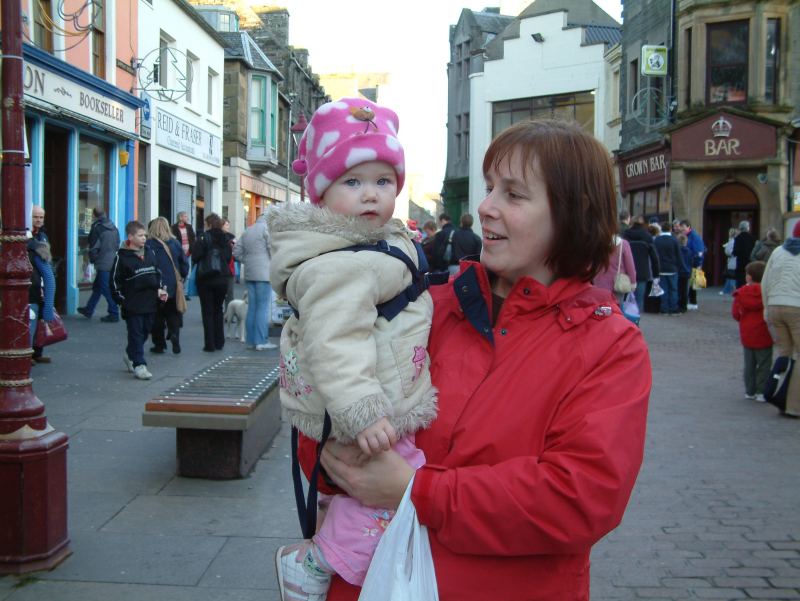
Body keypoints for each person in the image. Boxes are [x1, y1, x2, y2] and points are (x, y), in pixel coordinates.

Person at [297, 119, 650, 601]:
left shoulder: (609, 345)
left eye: (514, 194)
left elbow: (580, 498)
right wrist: (327, 428)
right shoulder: (425, 305)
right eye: (489, 189)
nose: (485, 207)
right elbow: (319, 443)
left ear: (571, 213)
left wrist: (417, 491)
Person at [268, 97, 437, 600]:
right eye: (353, 182)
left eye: (383, 182)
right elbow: (335, 341)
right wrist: (363, 413)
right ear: (320, 194)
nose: (371, 195)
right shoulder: (342, 262)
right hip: (366, 409)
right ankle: (314, 565)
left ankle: (327, 523)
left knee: (361, 487)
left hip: (370, 398)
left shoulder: (364, 246)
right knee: (399, 490)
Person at [110, 221, 167, 380]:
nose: (144, 238)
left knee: (145, 331)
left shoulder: (149, 252)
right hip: (133, 303)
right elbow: (114, 281)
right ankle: (139, 365)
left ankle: (130, 354)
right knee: (135, 332)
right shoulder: (121, 257)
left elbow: (157, 273)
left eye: (145, 235)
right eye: (140, 236)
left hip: (150, 301)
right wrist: (122, 300)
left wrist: (161, 288)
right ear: (130, 237)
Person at [761, 221, 800, 418]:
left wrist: (767, 308)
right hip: (796, 306)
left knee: (785, 351)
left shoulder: (778, 252)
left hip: (776, 305)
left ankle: (772, 390)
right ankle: (792, 405)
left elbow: (765, 281)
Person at [145, 217, 189, 354]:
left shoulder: (148, 244)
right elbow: (184, 263)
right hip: (172, 284)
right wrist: (181, 277)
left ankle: (159, 344)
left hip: (155, 284)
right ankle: (174, 333)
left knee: (157, 315)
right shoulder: (174, 243)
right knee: (173, 312)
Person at [233, 213, 276, 350]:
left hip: (250, 273)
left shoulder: (248, 230)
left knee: (252, 307)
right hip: (264, 273)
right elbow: (272, 248)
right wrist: (273, 261)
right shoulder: (266, 230)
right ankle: (261, 341)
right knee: (262, 308)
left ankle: (251, 340)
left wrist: (247, 261)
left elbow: (236, 251)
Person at [732, 261, 773, 402]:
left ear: (749, 277)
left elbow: (736, 314)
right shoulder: (767, 292)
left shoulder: (741, 293)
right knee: (764, 364)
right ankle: (761, 391)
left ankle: (750, 391)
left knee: (749, 364)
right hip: (764, 332)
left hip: (747, 332)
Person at [192, 213, 234, 352]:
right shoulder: (225, 238)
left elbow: (196, 256)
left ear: (208, 224)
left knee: (207, 311)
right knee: (218, 309)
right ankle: (219, 341)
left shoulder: (203, 237)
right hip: (222, 278)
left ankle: (209, 344)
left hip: (205, 278)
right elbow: (228, 258)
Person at [78, 208, 121, 322]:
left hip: (102, 261)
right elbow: (117, 244)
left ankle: (114, 312)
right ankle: (89, 309)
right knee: (98, 287)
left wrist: (92, 259)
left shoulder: (97, 227)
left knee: (105, 288)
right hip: (112, 260)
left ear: (94, 215)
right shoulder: (114, 227)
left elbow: (93, 246)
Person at [27, 232, 56, 364]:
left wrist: (49, 307)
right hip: (31, 294)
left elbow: (49, 277)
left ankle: (30, 354)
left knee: (32, 326)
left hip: (33, 295)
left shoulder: (35, 248)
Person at [624, 215, 660, 313]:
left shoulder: (625, 234)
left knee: (625, 300)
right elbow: (654, 257)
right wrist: (656, 274)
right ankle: (636, 323)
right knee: (639, 301)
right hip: (642, 272)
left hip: (626, 272)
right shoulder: (647, 236)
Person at [593, 234, 636, 304]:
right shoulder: (623, 244)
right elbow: (630, 266)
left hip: (598, 282)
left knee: (600, 309)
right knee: (617, 309)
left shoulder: (596, 243)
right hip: (618, 283)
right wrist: (633, 282)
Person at [653, 222, 683, 315]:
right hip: (672, 268)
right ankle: (673, 308)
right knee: (673, 289)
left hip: (661, 268)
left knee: (663, 289)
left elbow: (654, 255)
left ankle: (664, 309)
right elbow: (679, 255)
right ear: (670, 229)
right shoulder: (674, 240)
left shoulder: (657, 240)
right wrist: (680, 266)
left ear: (661, 229)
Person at [678, 219, 706, 308]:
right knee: (690, 284)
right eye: (681, 228)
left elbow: (699, 252)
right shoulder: (688, 236)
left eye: (683, 228)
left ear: (688, 227)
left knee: (692, 285)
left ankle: (693, 302)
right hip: (689, 263)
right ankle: (691, 302)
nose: (681, 230)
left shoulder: (694, 237)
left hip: (693, 264)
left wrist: (698, 264)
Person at [172, 211, 196, 299]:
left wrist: (191, 250)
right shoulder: (174, 228)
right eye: (185, 216)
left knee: (187, 272)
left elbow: (193, 239)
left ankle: (185, 293)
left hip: (188, 253)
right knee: (177, 272)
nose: (187, 218)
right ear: (180, 217)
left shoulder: (189, 227)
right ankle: (178, 291)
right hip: (178, 253)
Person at [732, 220, 755, 289]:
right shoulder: (752, 238)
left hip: (740, 263)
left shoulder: (737, 238)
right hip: (750, 262)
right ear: (748, 228)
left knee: (740, 283)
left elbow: (735, 252)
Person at [221, 217, 237, 310]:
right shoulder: (218, 237)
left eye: (228, 224)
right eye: (226, 224)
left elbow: (236, 249)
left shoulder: (231, 237)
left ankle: (229, 312)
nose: (228, 226)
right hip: (221, 269)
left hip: (230, 268)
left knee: (230, 292)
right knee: (220, 293)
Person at [676, 233, 693, 313]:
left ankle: (679, 305)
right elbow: (691, 262)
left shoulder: (677, 251)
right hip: (687, 272)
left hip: (679, 272)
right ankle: (684, 306)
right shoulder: (689, 251)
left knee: (679, 289)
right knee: (685, 290)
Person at [721, 227, 738, 296]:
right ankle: (726, 290)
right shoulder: (733, 241)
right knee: (730, 276)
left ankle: (732, 290)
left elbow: (728, 252)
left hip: (732, 261)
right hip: (733, 261)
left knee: (731, 276)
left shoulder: (732, 241)